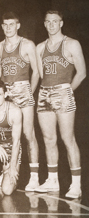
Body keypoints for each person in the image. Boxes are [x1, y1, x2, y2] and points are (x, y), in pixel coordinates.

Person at [35, 10, 86, 198]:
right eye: (48, 21)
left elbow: (82, 73)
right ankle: (52, 180)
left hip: (63, 91)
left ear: (61, 23)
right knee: (48, 139)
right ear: (44, 24)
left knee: (68, 138)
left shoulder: (72, 44)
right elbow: (41, 74)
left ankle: (76, 184)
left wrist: (67, 91)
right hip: (44, 93)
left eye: (55, 21)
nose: (51, 25)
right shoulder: (40, 47)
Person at [0, 12, 40, 191]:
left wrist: (29, 93)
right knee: (8, 136)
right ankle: (7, 171)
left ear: (18, 25)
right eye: (5, 24)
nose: (8, 28)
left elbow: (36, 72)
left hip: (24, 91)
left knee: (28, 135)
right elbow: (0, 73)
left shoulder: (27, 44)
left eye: (11, 24)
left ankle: (34, 176)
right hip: (7, 92)